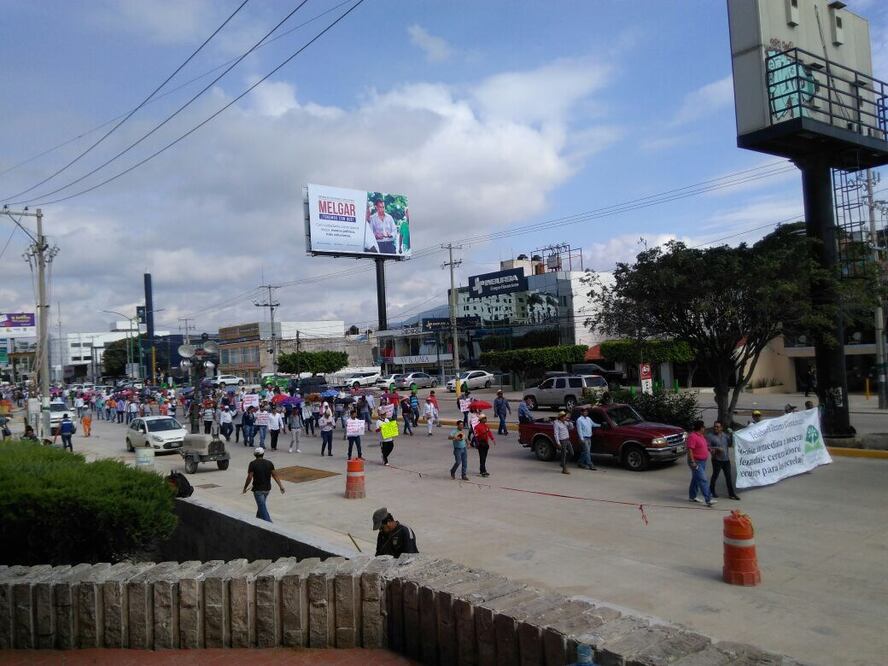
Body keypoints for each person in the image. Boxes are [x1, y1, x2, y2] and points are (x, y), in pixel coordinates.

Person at [242, 447, 285, 523]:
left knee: (262, 507)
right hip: (267, 489)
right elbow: (275, 475)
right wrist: (281, 486)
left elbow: (249, 477)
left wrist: (245, 487)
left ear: (255, 455)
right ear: (263, 454)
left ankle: (269, 524)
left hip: (258, 490)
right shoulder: (269, 463)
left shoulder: (252, 464)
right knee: (261, 506)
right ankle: (257, 520)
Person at [706, 420, 739, 500]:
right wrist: (716, 449)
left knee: (728, 477)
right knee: (715, 476)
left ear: (721, 428)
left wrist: (732, 435)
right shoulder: (710, 436)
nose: (715, 428)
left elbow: (730, 444)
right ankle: (711, 491)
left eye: (717, 427)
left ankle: (731, 494)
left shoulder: (725, 435)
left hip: (726, 460)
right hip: (716, 460)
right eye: (715, 426)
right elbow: (708, 447)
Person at [687, 420, 716, 507]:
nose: (705, 428)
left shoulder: (701, 436)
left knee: (696, 479)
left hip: (703, 462)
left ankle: (692, 497)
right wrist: (692, 462)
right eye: (703, 427)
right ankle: (708, 499)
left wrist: (709, 449)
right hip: (696, 462)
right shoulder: (692, 436)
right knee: (703, 479)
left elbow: (705, 445)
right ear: (700, 428)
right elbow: (690, 449)